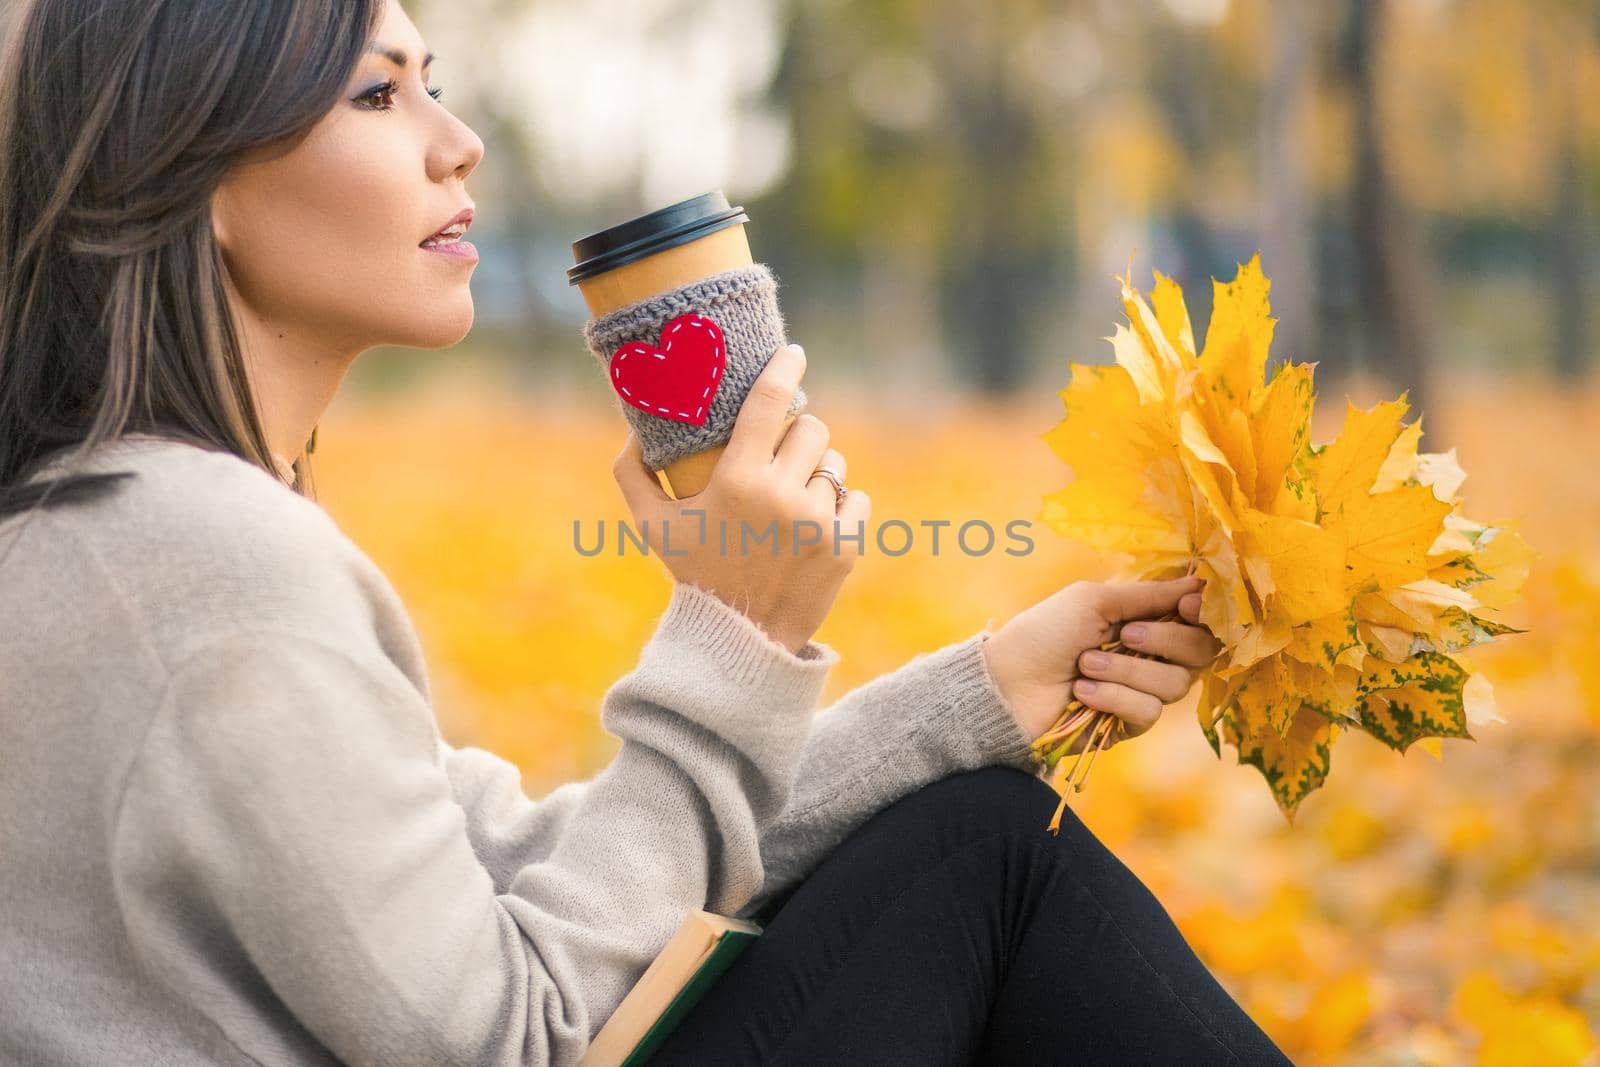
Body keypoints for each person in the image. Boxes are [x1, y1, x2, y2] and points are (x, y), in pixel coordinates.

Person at [0, 0, 1291, 1064]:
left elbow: (521, 877)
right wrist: (737, 631)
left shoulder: (123, 526)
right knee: (988, 860)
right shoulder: (202, 558)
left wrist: (986, 693)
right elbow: (518, 1036)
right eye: (379, 97)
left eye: (432, 84)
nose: (459, 144)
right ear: (191, 171)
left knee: (976, 825)